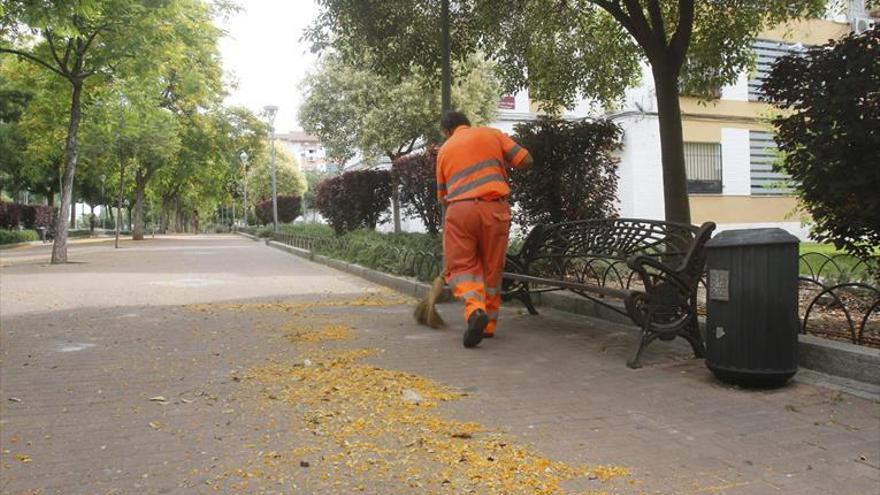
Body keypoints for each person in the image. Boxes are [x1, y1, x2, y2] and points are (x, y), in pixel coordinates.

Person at [436, 110, 533, 348]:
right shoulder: (492, 134)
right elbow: (526, 160)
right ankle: (488, 325)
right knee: (492, 269)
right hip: (495, 210)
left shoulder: (444, 150)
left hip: (460, 211)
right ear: (467, 124)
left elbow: (442, 197)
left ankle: (475, 310)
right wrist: (501, 166)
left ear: (447, 131)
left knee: (462, 267)